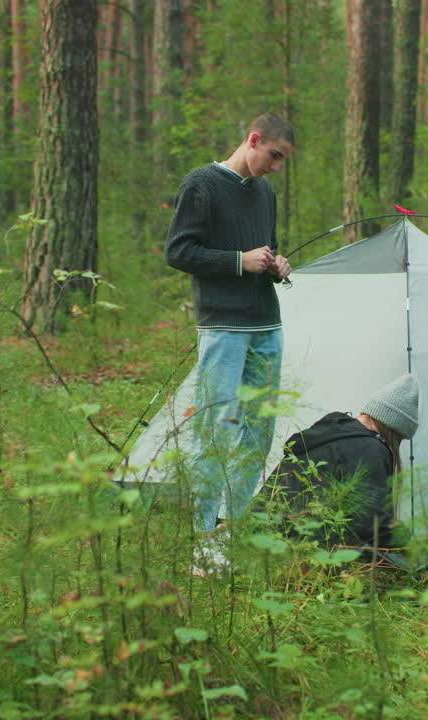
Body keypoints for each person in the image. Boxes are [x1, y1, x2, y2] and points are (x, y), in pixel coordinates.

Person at [165, 112, 296, 538]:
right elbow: (180, 252)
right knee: (216, 432)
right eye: (274, 155)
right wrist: (239, 261)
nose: (276, 166)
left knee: (258, 436)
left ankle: (232, 531)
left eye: (282, 160)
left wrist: (277, 264)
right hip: (223, 328)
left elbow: (265, 248)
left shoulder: (266, 192)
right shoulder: (201, 184)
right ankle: (202, 538)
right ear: (253, 139)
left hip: (266, 325)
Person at [262, 373, 420, 548]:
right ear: (394, 430)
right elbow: (371, 527)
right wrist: (408, 542)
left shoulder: (326, 435)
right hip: (308, 560)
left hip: (262, 549)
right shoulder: (369, 448)